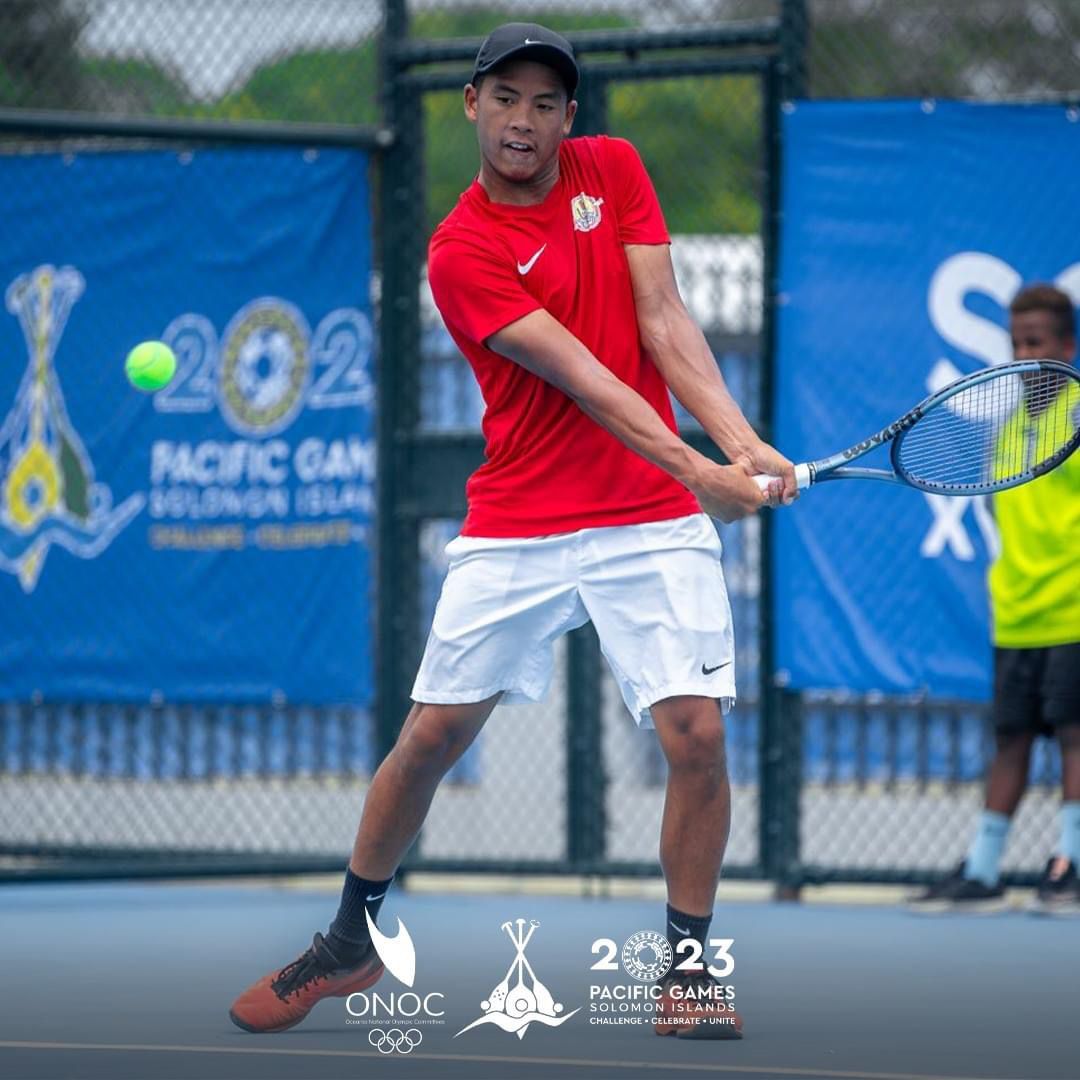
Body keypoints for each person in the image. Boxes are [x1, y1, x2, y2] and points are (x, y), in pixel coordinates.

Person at [229, 22, 796, 1038]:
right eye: (504, 99)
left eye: (543, 103)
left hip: (647, 517)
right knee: (432, 737)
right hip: (521, 517)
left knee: (700, 736)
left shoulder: (613, 170)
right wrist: (706, 472)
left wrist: (742, 442)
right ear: (472, 106)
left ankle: (688, 970)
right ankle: (351, 938)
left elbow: (663, 320)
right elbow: (586, 377)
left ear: (569, 116)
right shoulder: (461, 251)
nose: (523, 120)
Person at [910, 283, 1080, 915]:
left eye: (1036, 342)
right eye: (1016, 343)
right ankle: (983, 871)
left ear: (1067, 347)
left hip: (1073, 609)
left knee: (1074, 738)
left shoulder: (1078, 416)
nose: (1024, 354)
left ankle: (1070, 864)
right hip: (1016, 611)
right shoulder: (1009, 427)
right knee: (1010, 739)